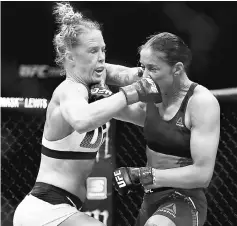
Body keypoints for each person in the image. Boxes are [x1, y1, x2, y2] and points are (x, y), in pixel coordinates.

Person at [13, 3, 162, 226]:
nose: (101, 56)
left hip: (62, 207)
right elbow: (81, 120)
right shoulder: (70, 90)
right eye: (93, 51)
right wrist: (132, 92)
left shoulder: (94, 84)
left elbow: (126, 78)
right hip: (46, 210)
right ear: (70, 57)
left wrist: (152, 74)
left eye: (103, 49)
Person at [113, 32, 220, 226]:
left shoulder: (201, 102)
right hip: (150, 199)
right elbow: (107, 75)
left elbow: (203, 174)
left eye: (152, 69)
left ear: (177, 68)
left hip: (184, 198)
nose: (144, 77)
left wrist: (142, 175)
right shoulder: (153, 95)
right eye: (142, 67)